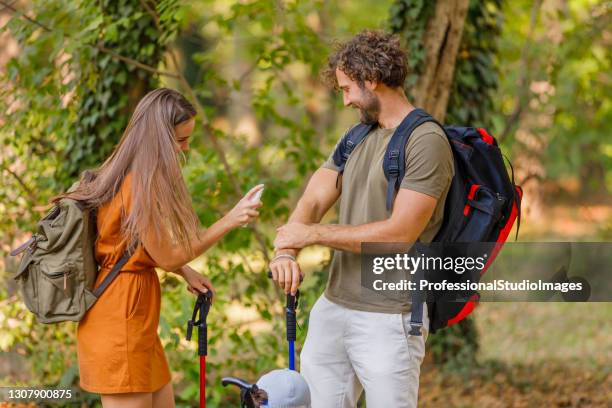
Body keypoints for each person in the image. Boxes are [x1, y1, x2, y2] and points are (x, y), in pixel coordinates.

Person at [269, 30, 454, 407]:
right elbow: (315, 196)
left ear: (371, 80)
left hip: (390, 317)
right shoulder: (356, 137)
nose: (346, 100)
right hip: (334, 307)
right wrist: (286, 250)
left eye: (346, 89)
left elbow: (398, 235)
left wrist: (313, 234)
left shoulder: (426, 142)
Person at [58, 88, 263, 408]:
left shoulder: (134, 172)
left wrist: (185, 270)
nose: (185, 147)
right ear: (158, 137)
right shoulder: (137, 183)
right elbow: (168, 255)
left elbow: (138, 243)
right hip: (119, 323)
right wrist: (231, 219)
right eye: (180, 140)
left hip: (137, 322)